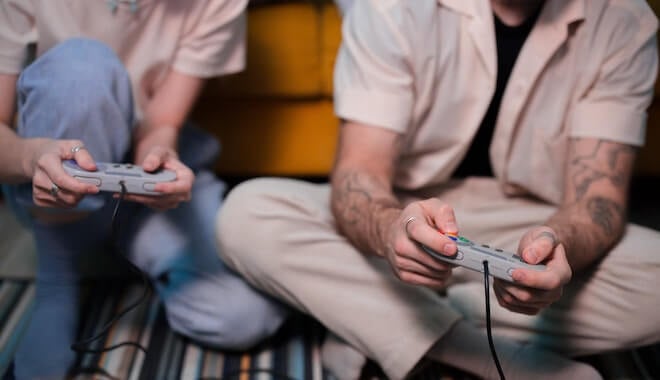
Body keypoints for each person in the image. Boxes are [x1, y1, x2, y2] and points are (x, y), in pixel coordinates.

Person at [216, 0, 660, 379]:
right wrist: (391, 230)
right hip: (407, 206)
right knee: (248, 213)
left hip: (527, 220)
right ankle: (479, 355)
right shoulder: (392, 6)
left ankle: (375, 319)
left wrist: (554, 246)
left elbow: (597, 202)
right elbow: (359, 173)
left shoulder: (624, 18)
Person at [0, 1, 289, 378]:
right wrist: (33, 156)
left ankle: (110, 244)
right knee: (82, 66)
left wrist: (159, 159)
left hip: (136, 178)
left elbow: (162, 123)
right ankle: (60, 275)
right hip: (47, 178)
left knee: (243, 315)